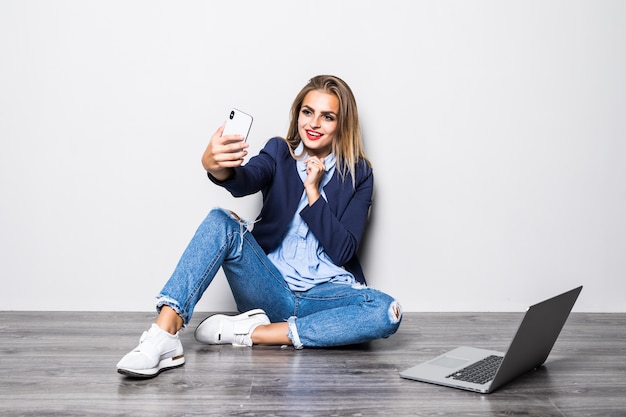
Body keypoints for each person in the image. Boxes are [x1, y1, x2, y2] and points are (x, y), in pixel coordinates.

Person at [116, 75, 402, 378]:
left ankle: (254, 333)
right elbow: (246, 180)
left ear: (341, 124)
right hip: (270, 289)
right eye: (308, 112)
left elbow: (343, 251)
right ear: (297, 114)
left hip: (325, 299)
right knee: (220, 220)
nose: (314, 123)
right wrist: (220, 168)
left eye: (327, 116)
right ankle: (163, 337)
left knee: (386, 311)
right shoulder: (280, 152)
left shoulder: (358, 173)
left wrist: (314, 191)